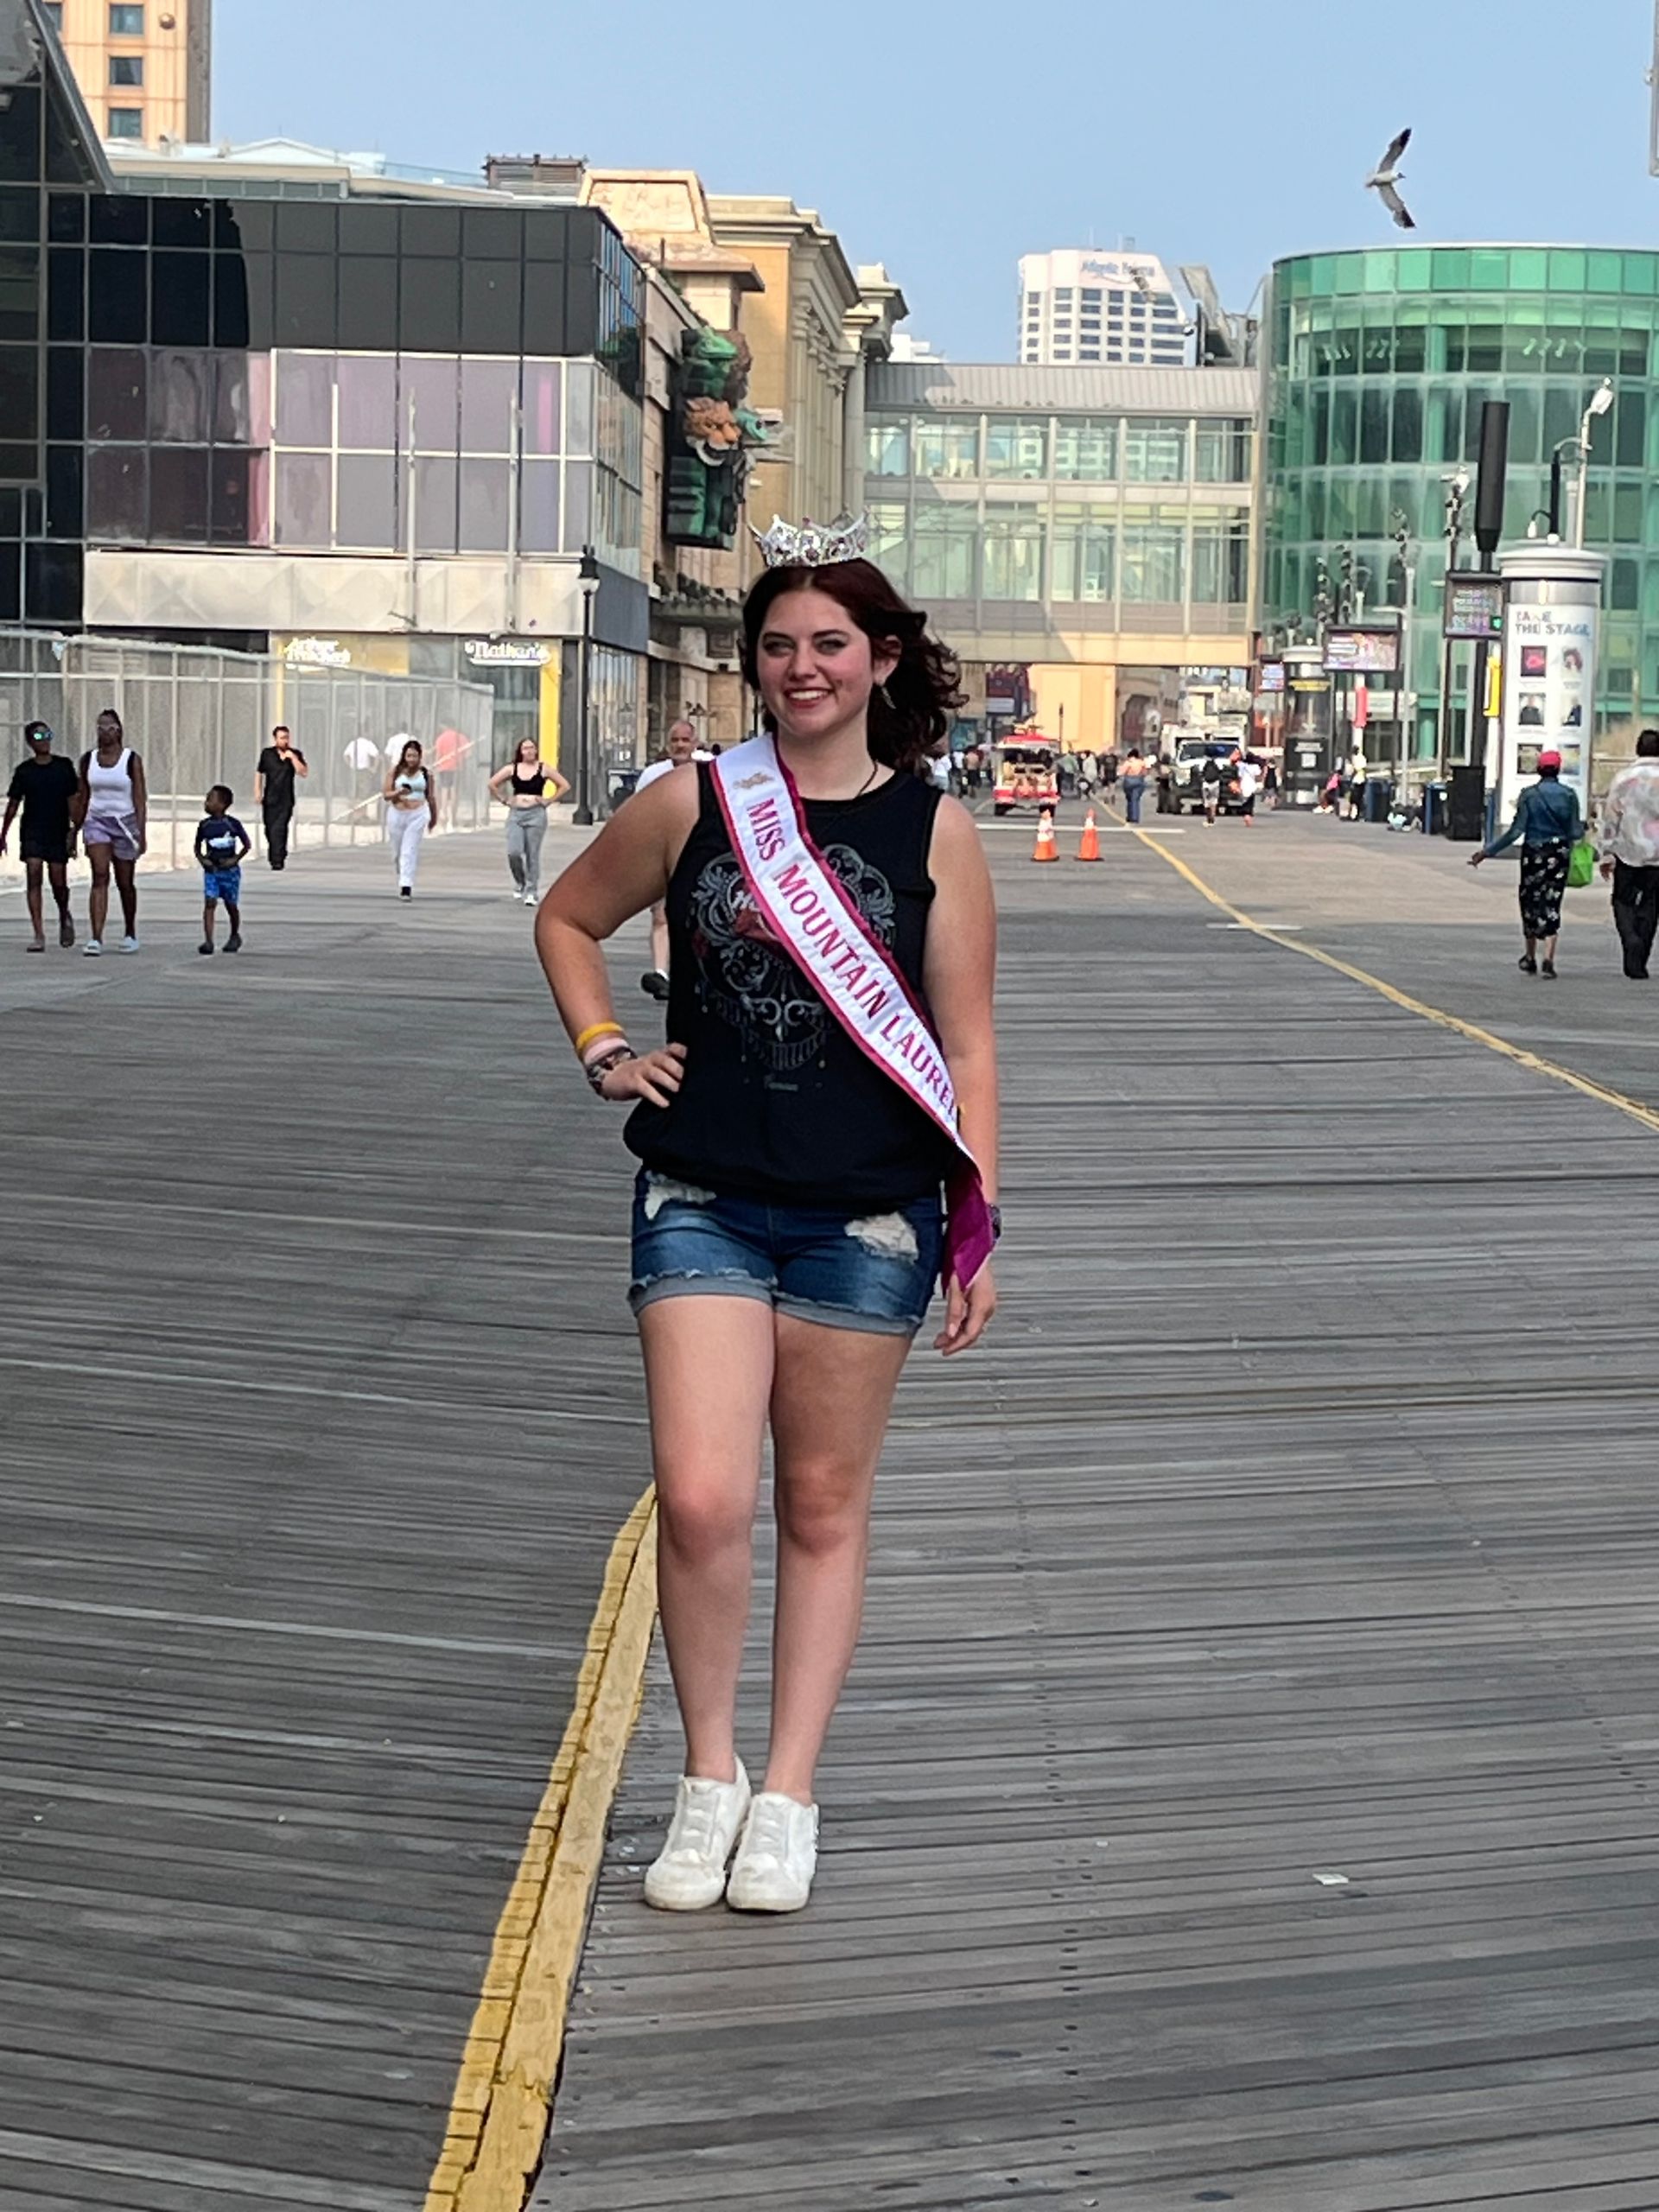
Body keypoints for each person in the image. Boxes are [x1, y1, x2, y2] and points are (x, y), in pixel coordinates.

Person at [534, 531, 1001, 1916]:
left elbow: (966, 1045)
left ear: (883, 662)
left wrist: (978, 1219)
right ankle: (709, 1777)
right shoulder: (694, 804)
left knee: (817, 1502)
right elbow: (567, 919)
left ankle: (788, 1792)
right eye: (780, 646)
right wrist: (607, 1045)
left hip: (867, 1213)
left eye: (830, 646)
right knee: (702, 1494)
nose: (803, 668)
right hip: (703, 1193)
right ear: (756, 665)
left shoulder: (937, 831)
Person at [1470, 747, 1584, 978]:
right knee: (1552, 901)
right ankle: (1549, 958)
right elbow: (1574, 831)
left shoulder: (1529, 795)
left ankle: (1530, 956)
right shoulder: (1570, 795)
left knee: (1530, 900)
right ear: (1558, 769)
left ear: (1539, 769)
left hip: (1534, 853)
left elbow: (1515, 832)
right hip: (1559, 853)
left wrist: (1487, 851)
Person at [634, 721, 713, 1000]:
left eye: (685, 740)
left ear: (695, 742)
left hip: (701, 854)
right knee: (661, 915)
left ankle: (695, 971)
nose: (680, 745)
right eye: (675, 740)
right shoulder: (654, 775)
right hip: (662, 852)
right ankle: (661, 974)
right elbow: (637, 815)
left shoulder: (711, 771)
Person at [72, 709, 145, 956]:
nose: (105, 732)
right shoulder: (88, 760)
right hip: (97, 821)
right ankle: (95, 937)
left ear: (119, 730)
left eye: (110, 727)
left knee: (125, 882)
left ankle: (130, 931)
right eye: (100, 727)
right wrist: (75, 828)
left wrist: (141, 833)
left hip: (124, 822)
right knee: (100, 875)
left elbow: (139, 797)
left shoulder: (130, 759)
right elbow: (83, 796)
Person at [1, 721, 78, 950]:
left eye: (47, 733)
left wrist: (75, 831)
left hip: (58, 830)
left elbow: (73, 800)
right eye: (38, 735)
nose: (43, 739)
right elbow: (13, 804)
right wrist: (3, 834)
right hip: (33, 830)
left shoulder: (63, 767)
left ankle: (64, 914)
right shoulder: (24, 771)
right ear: (29, 742)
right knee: (33, 873)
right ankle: (39, 933)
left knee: (58, 881)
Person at [1599, 729, 1659, 981]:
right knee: (1651, 905)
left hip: (1627, 850)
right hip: (1657, 855)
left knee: (1622, 901)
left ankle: (1629, 938)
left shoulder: (1623, 778)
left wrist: (1606, 851)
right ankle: (1639, 959)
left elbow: (1611, 816)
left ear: (1638, 749)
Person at [488, 739, 570, 906]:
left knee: (533, 854)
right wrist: (504, 800)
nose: (529, 751)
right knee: (514, 851)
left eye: (532, 748)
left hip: (536, 814)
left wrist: (549, 800)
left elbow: (564, 785)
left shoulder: (543, 768)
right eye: (525, 748)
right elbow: (492, 783)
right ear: (520, 751)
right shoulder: (513, 768)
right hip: (516, 814)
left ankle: (532, 891)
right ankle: (520, 881)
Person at [194, 785, 251, 955]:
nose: (207, 803)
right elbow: (197, 847)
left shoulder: (232, 824)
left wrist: (235, 860)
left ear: (222, 804)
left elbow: (246, 845)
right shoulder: (204, 825)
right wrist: (203, 860)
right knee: (210, 902)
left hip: (230, 872)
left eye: (211, 799)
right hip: (212, 871)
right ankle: (208, 940)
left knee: (231, 904)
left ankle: (234, 935)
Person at [384, 738, 438, 898]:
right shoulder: (395, 772)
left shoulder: (426, 774)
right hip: (397, 812)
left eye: (415, 756)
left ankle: (406, 886)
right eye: (409, 756)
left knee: (409, 850)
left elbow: (431, 796)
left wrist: (434, 817)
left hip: (418, 813)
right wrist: (398, 793)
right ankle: (402, 872)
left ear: (420, 756)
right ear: (404, 756)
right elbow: (386, 794)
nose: (412, 760)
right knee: (398, 852)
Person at [254, 725, 308, 869]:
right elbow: (260, 772)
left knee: (280, 828)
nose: (285, 740)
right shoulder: (267, 754)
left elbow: (303, 772)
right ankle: (276, 854)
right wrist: (257, 791)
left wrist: (293, 758)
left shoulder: (295, 754)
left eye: (286, 737)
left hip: (286, 799)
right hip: (270, 797)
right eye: (282, 738)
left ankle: (278, 859)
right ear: (275, 739)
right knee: (269, 828)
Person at [1120, 747, 1148, 824]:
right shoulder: (1141, 763)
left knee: (1129, 800)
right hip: (1139, 781)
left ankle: (1130, 816)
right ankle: (1135, 817)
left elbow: (1121, 772)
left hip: (1129, 781)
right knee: (1135, 800)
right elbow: (1145, 773)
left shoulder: (1128, 763)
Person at [1236, 751, 1262, 827]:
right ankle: (1248, 816)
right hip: (1252, 786)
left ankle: (1245, 815)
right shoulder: (1255, 767)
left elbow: (1239, 775)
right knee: (1250, 803)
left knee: (1244, 802)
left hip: (1243, 785)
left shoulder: (1241, 766)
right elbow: (1258, 775)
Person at [1200, 750, 1224, 825]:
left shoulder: (1202, 762)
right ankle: (1213, 817)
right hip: (1215, 783)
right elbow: (1221, 772)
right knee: (1214, 801)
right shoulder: (1218, 762)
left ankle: (1208, 818)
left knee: (1206, 801)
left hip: (1206, 784)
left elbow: (1200, 773)